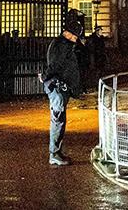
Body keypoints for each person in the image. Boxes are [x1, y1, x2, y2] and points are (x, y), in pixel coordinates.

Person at [43, 15, 83, 166]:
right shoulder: (62, 45)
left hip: (60, 86)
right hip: (57, 87)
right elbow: (55, 65)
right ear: (66, 33)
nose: (75, 39)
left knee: (59, 119)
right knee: (58, 119)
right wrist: (45, 77)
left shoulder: (64, 44)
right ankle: (54, 153)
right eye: (74, 36)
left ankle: (56, 151)